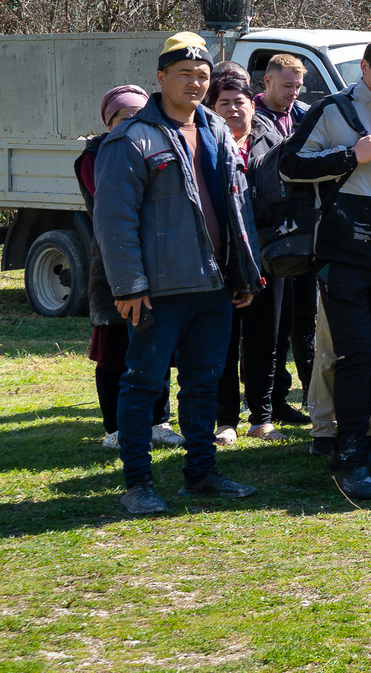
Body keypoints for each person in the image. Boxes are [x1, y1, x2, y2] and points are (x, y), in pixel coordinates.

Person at [90, 33, 266, 516]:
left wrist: (244, 274)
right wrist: (129, 285)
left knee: (204, 382)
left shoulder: (214, 128)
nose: (194, 82)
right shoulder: (131, 138)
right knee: (143, 383)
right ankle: (138, 482)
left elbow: (237, 204)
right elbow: (113, 219)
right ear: (161, 78)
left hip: (215, 284)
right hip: (158, 289)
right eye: (184, 74)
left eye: (202, 76)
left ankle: (200, 474)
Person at [282, 33, 371, 499]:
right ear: (364, 67)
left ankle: (360, 444)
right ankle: (346, 456)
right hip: (345, 253)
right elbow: (289, 165)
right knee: (356, 353)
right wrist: (351, 155)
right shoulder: (333, 110)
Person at [80, 84, 176, 454]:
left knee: (158, 346)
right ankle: (115, 427)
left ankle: (160, 422)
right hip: (112, 267)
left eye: (139, 114)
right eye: (124, 116)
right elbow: (120, 206)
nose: (133, 122)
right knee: (114, 350)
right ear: (109, 121)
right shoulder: (95, 155)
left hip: (157, 265)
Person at [205, 73, 282, 443]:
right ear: (212, 109)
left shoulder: (274, 139)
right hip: (221, 257)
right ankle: (225, 420)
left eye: (240, 102)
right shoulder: (205, 143)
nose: (233, 109)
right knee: (223, 339)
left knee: (264, 339)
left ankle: (261, 417)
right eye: (224, 103)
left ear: (254, 104)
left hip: (267, 255)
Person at [252, 52, 315, 423]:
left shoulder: (306, 116)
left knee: (306, 320)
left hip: (305, 230)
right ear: (268, 82)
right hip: (270, 232)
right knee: (273, 327)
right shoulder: (250, 117)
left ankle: (312, 396)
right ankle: (269, 402)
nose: (293, 92)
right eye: (287, 85)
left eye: (298, 85)